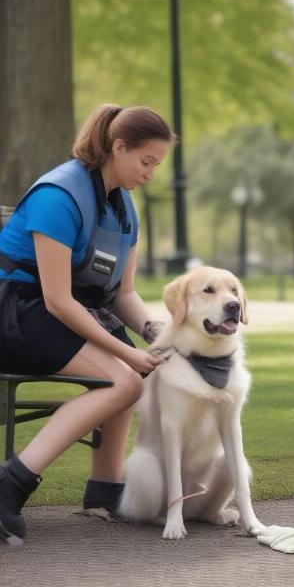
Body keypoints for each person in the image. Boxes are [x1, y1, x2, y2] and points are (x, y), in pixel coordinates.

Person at [0, 103, 175, 546]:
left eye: (157, 163)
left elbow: (123, 294)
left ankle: (105, 490)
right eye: (147, 161)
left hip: (58, 313)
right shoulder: (58, 196)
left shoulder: (123, 208)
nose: (151, 173)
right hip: (15, 314)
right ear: (118, 147)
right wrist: (126, 352)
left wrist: (153, 332)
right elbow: (58, 300)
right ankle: (11, 482)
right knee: (125, 381)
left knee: (133, 373)